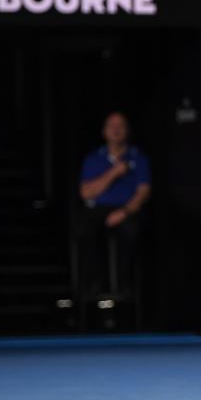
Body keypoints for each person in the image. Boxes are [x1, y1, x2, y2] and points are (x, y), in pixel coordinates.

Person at [78, 112, 151, 301]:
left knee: (132, 231)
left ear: (127, 131)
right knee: (84, 229)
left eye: (121, 126)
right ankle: (95, 284)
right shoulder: (94, 158)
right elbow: (86, 193)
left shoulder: (138, 158)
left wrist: (124, 212)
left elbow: (143, 192)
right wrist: (115, 172)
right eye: (112, 126)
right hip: (99, 209)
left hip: (127, 209)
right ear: (104, 131)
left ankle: (124, 284)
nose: (116, 130)